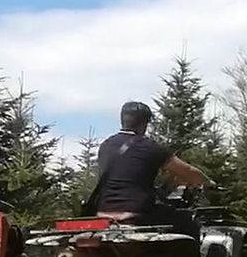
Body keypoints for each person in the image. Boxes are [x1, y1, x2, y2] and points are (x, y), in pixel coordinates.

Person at [82, 100, 209, 239]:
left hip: (103, 214)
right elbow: (188, 171)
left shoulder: (106, 145)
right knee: (187, 221)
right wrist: (209, 183)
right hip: (138, 215)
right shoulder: (150, 147)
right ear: (144, 123)